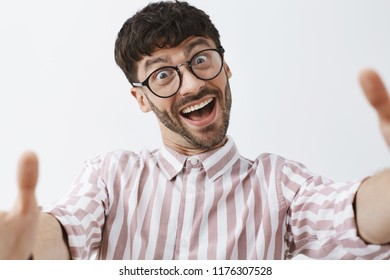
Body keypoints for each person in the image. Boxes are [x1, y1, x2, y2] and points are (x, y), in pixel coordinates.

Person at [0, 0, 389, 260]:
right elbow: (66, 230)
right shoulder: (110, 177)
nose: (190, 85)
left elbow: (350, 215)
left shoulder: (279, 183)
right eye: (163, 74)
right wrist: (25, 250)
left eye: (201, 59)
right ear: (141, 99)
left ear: (226, 67)